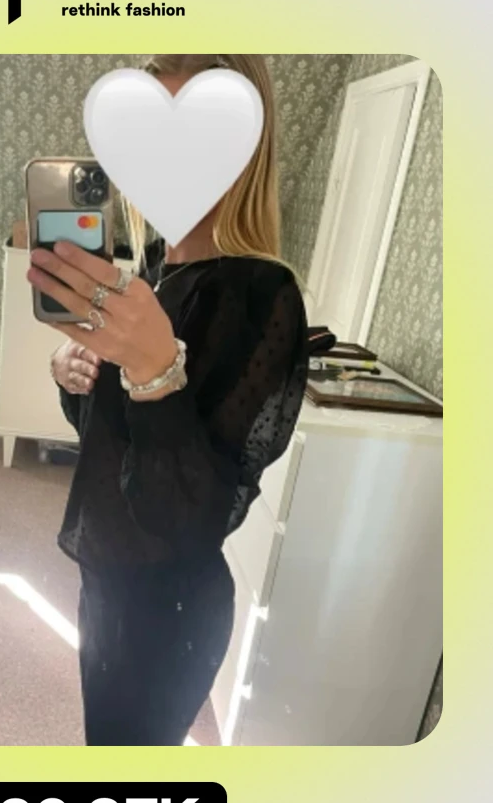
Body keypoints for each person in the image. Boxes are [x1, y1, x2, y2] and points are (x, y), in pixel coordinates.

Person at [26, 54, 309, 746]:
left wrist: (155, 369)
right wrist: (78, 375)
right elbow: (113, 438)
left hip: (167, 614)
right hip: (108, 587)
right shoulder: (153, 269)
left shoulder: (260, 296)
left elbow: (186, 516)